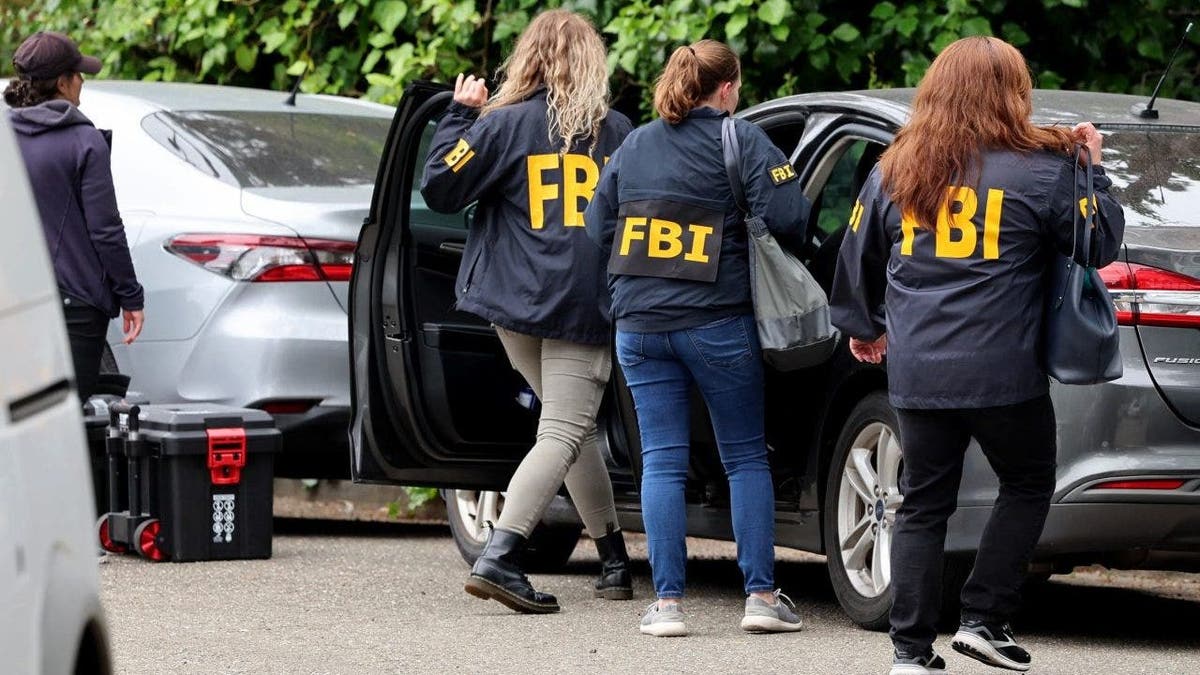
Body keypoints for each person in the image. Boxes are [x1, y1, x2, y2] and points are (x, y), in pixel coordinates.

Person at [829, 37, 1125, 675]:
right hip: (1003, 372)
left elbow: (856, 259)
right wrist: (1093, 165)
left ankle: (909, 652)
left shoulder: (895, 169)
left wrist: (865, 326)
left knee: (921, 502)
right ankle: (983, 618)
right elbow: (1097, 242)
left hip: (917, 370)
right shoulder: (1046, 169)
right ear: (1011, 93)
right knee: (1025, 482)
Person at [584, 39, 809, 637]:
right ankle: (761, 597)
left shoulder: (634, 145)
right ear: (728, 88)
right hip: (718, 323)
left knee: (660, 458)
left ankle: (667, 605)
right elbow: (792, 220)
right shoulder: (744, 141)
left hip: (639, 325)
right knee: (742, 455)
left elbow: (594, 226)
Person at [419, 9, 634, 614]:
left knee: (572, 428)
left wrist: (460, 113)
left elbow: (438, 185)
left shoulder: (501, 125)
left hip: (513, 308)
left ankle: (613, 556)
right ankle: (502, 555)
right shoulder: (617, 132)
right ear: (592, 61)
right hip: (581, 305)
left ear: (529, 57)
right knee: (565, 428)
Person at [5, 32, 145, 403]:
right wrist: (130, 296)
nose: (83, 80)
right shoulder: (84, 141)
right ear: (64, 82)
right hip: (75, 308)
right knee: (63, 416)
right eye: (78, 73)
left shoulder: (5, 136)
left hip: (13, 300)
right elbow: (106, 230)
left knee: (21, 416)